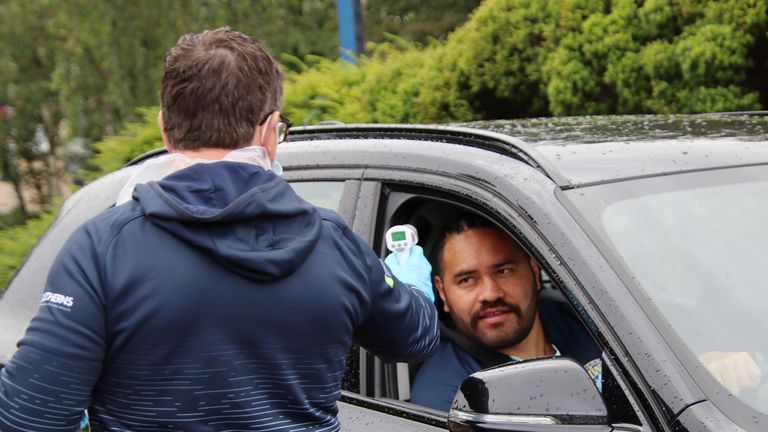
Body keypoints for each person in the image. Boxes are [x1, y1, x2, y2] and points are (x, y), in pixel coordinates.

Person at [0, 27, 438, 432]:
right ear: (270, 131)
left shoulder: (102, 248)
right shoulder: (334, 243)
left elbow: (31, 417)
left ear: (165, 131)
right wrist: (411, 279)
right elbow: (416, 339)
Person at [410, 214, 601, 411]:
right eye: (467, 280)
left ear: (534, 272)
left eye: (504, 271)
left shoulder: (582, 320)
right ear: (442, 292)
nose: (490, 294)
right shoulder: (446, 399)